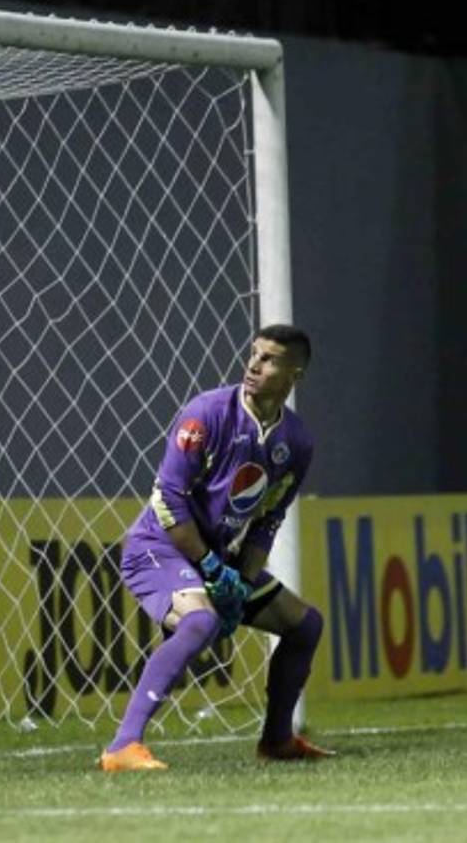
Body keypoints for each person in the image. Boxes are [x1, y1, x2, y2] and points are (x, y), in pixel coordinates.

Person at [99, 323, 333, 771]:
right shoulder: (205, 413)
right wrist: (211, 567)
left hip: (218, 560)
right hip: (157, 548)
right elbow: (168, 500)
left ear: (295, 375)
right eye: (254, 353)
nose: (254, 364)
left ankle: (278, 741)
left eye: (269, 359)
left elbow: (268, 519)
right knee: (201, 620)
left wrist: (240, 583)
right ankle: (122, 746)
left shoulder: (297, 442)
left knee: (305, 625)